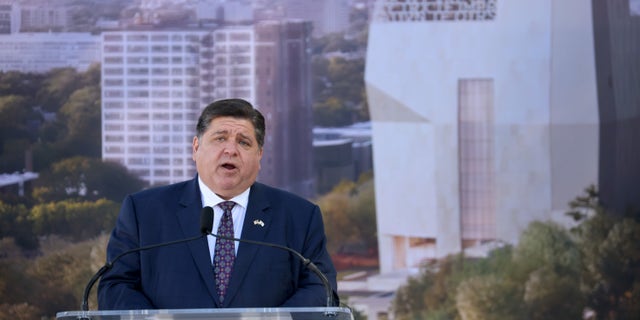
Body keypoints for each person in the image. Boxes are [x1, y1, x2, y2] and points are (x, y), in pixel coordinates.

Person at [98, 98, 338, 309]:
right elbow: (115, 287)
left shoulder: (299, 216)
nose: (231, 150)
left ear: (260, 155)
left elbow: (321, 291)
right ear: (196, 148)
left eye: (244, 142)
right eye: (219, 138)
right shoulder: (144, 212)